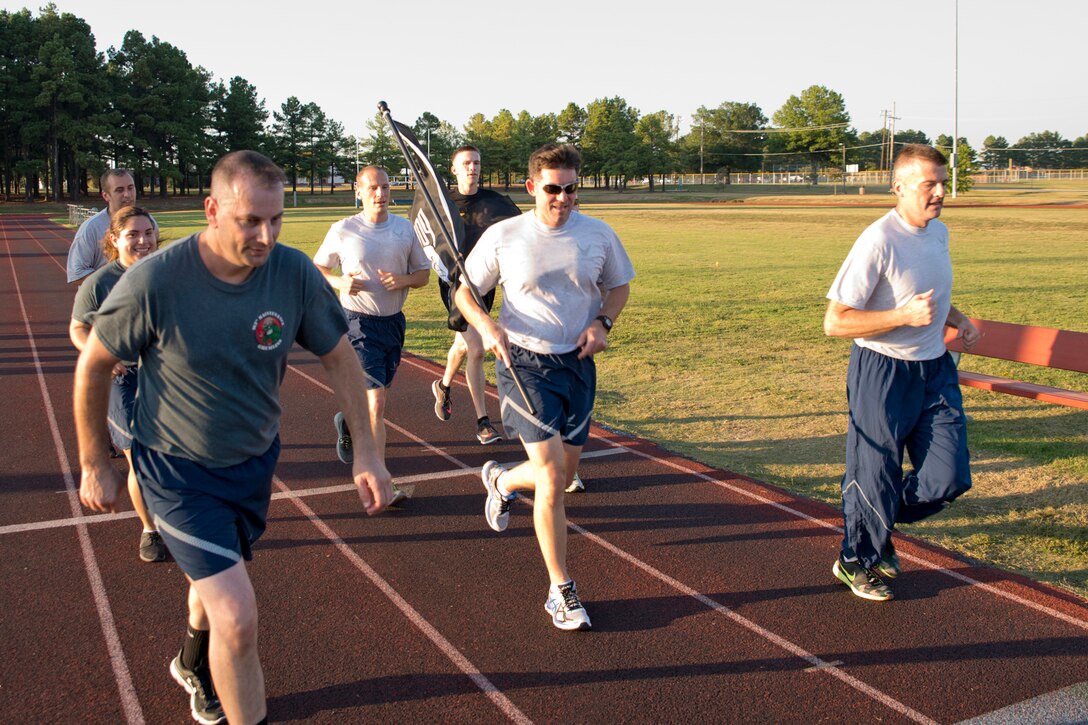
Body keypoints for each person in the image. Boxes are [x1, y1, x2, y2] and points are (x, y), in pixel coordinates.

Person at [74, 151, 393, 725]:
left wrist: (367, 450)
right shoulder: (157, 280)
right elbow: (93, 364)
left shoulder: (292, 273)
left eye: (275, 221)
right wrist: (95, 458)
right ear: (213, 210)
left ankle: (192, 661)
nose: (265, 236)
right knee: (238, 615)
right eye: (250, 221)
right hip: (175, 471)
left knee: (214, 585)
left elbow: (342, 359)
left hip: (251, 463)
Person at [455, 143, 634, 631]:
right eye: (553, 189)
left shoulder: (598, 234)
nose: (563, 198)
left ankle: (502, 480)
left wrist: (603, 322)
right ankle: (561, 589)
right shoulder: (504, 235)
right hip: (523, 364)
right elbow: (464, 291)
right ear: (533, 187)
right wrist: (487, 326)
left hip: (577, 364)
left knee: (561, 472)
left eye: (572, 188)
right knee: (554, 478)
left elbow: (619, 286)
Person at [823, 143, 979, 602]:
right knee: (876, 472)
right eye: (929, 183)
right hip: (882, 371)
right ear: (899, 187)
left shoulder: (939, 233)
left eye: (943, 183)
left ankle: (875, 521)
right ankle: (857, 558)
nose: (940, 192)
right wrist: (901, 317)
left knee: (948, 478)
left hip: (935, 369)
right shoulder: (878, 240)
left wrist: (958, 319)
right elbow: (835, 322)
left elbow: (927, 293)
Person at [314, 166, 429, 503]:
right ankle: (383, 485)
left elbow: (422, 274)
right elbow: (318, 268)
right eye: (373, 188)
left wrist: (403, 280)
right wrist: (340, 282)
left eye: (385, 187)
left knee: (372, 402)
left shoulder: (404, 229)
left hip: (392, 324)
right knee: (376, 402)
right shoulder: (344, 229)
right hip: (356, 323)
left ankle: (349, 423)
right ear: (359, 191)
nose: (380, 194)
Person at [69, 206, 167, 563]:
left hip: (165, 376)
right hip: (122, 377)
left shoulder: (169, 274)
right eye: (132, 234)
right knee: (139, 457)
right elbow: (78, 329)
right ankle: (150, 530)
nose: (142, 241)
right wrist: (99, 355)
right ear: (114, 239)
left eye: (148, 233)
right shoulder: (99, 283)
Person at [429, 145, 520, 446]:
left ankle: (443, 386)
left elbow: (522, 230)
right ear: (454, 169)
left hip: (486, 283)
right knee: (477, 348)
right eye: (465, 163)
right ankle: (483, 422)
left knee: (463, 344)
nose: (472, 167)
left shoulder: (497, 203)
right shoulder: (441, 205)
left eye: (476, 162)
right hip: (455, 286)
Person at [66, 168, 156, 284]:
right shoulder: (91, 228)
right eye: (119, 190)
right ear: (106, 195)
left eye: (130, 188)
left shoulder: (148, 221)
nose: (127, 195)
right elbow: (76, 273)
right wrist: (117, 282)